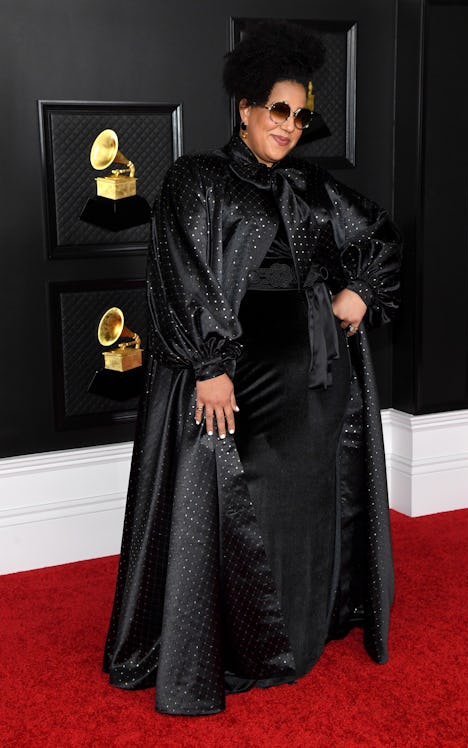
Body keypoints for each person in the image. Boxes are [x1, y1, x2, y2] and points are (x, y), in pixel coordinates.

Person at [103, 20, 402, 716]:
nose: (291, 126)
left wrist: (360, 288)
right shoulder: (196, 181)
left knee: (306, 510)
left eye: (301, 116)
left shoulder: (310, 187)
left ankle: (302, 635)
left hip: (317, 388)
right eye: (279, 111)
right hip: (237, 383)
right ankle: (244, 648)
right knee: (242, 509)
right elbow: (182, 275)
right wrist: (209, 365)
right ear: (245, 108)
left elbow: (379, 234)